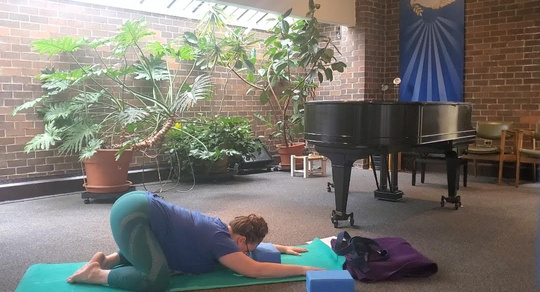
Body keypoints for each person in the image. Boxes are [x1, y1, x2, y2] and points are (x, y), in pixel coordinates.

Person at [67, 191, 322, 291]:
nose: (246, 255)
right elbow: (255, 271)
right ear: (241, 238)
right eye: (247, 249)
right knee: (157, 278)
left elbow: (248, 252)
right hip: (133, 216)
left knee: (164, 248)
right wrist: (304, 269)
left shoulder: (222, 228)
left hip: (135, 207)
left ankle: (110, 260)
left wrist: (280, 247)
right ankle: (96, 274)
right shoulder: (220, 241)